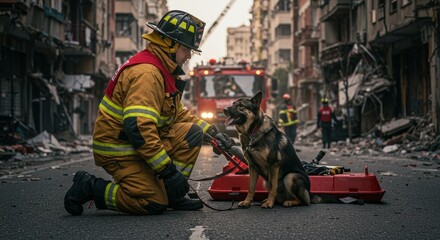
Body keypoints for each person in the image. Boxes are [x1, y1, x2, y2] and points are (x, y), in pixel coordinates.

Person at [64, 10, 222, 216]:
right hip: (120, 149)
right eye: (187, 49)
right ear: (170, 45)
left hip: (134, 144)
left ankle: (173, 194)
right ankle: (91, 187)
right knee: (153, 202)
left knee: (193, 132)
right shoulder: (147, 74)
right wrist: (167, 171)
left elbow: (178, 114)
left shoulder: (160, 70)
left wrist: (212, 133)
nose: (189, 55)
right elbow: (138, 128)